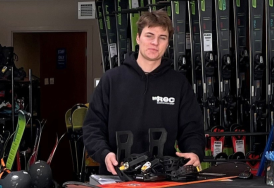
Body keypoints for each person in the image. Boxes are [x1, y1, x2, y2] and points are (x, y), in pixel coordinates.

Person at [81, 10, 204, 175]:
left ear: (168, 42)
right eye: (149, 35)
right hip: (116, 175)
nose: (155, 42)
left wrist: (194, 151)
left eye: (162, 38)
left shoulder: (178, 84)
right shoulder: (111, 80)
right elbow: (92, 127)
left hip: (162, 177)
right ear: (138, 38)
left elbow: (192, 129)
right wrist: (104, 153)